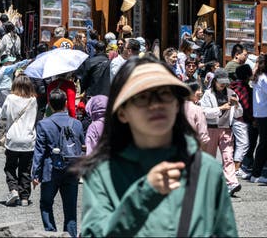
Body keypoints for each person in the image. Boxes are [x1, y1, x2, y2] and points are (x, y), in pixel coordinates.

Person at [76, 57, 237, 237]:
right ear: (122, 112)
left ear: (177, 105)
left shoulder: (207, 170)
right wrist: (143, 194)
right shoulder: (102, 173)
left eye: (165, 94)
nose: (156, 104)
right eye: (143, 97)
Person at [31, 89, 84, 236]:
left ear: (49, 105)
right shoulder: (77, 124)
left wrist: (35, 174)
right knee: (70, 209)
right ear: (66, 103)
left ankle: (51, 233)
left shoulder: (43, 124)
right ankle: (71, 235)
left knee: (46, 204)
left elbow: (39, 151)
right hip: (72, 170)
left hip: (50, 170)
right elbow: (81, 146)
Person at [201, 68, 243, 195]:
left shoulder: (231, 93)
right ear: (215, 81)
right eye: (221, 82)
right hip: (211, 128)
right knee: (209, 158)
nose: (223, 85)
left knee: (228, 157)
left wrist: (237, 105)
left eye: (225, 82)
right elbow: (204, 111)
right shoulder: (208, 94)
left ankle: (232, 183)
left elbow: (239, 113)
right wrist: (220, 108)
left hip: (226, 129)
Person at [0, 74, 37, 207]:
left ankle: (14, 189)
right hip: (28, 139)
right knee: (25, 169)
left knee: (10, 167)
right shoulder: (33, 100)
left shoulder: (10, 98)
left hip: (13, 138)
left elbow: (3, 115)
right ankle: (25, 197)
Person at [230, 63, 253, 178]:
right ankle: (236, 168)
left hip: (233, 119)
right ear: (247, 75)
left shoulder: (234, 85)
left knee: (238, 143)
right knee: (243, 144)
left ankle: (235, 167)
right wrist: (252, 118)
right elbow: (246, 105)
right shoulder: (243, 88)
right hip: (240, 119)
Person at [250, 54, 267, 184]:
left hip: (260, 114)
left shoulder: (258, 77)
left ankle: (257, 172)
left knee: (263, 143)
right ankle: (256, 173)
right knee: (263, 144)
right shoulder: (263, 78)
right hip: (264, 114)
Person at [183, 80, 210, 148]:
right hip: (192, 148)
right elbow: (203, 136)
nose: (201, 92)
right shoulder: (197, 109)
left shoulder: (175, 107)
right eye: (199, 90)